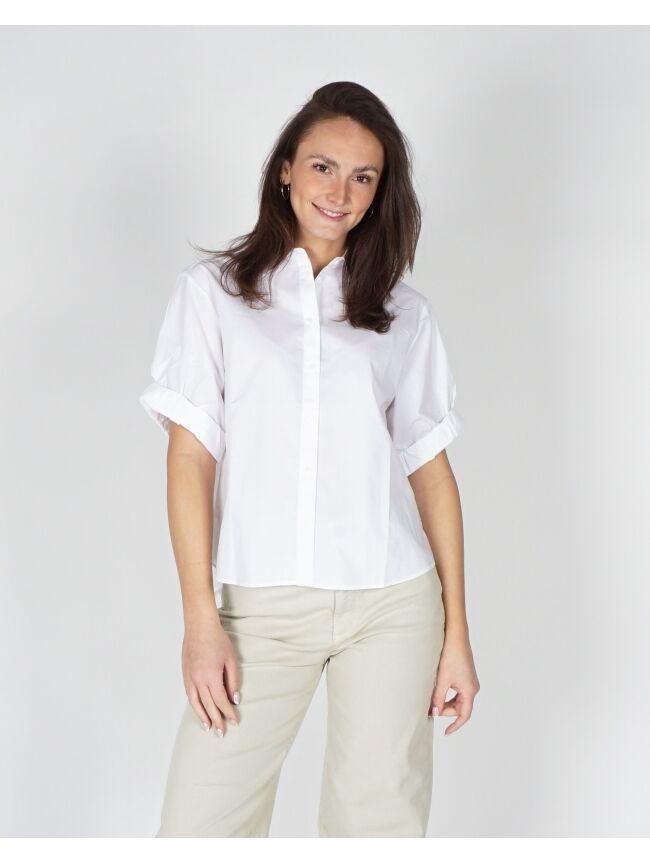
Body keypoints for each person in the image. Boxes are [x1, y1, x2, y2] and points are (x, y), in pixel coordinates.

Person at [139, 80, 480, 838]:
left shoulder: (403, 313)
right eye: (324, 167)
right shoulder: (213, 296)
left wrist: (457, 633)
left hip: (391, 605)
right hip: (260, 610)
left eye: (364, 177)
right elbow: (190, 459)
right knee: (199, 829)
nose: (340, 193)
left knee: (377, 829)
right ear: (286, 169)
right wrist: (200, 620)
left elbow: (432, 475)